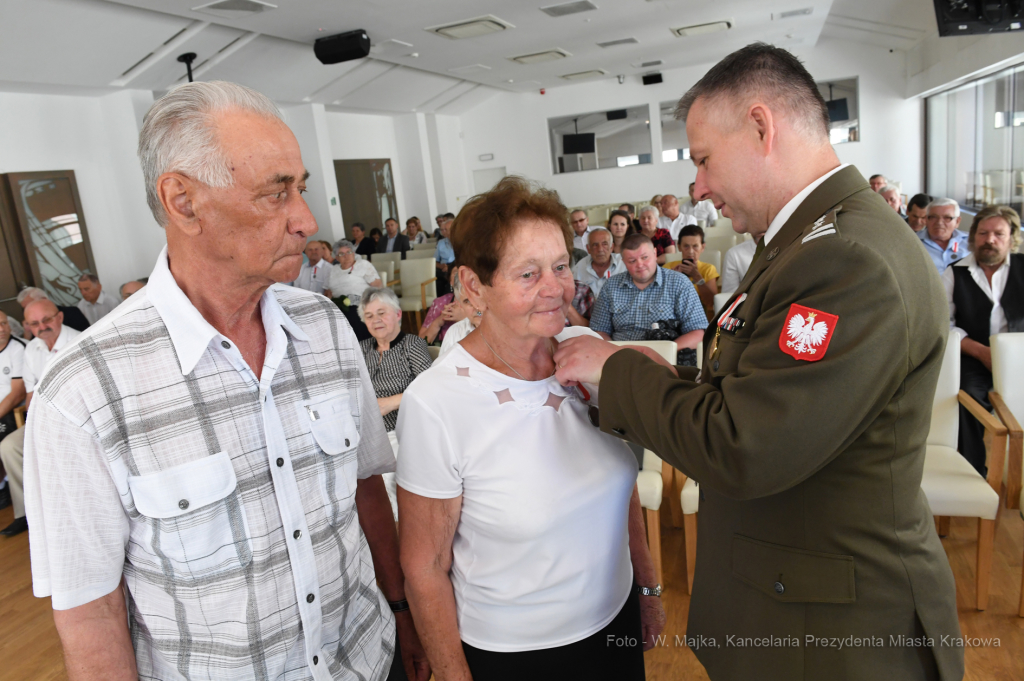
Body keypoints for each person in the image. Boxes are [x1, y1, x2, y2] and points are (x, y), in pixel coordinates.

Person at [553, 42, 963, 681]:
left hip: (829, 634)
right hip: (787, 602)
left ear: (761, 127)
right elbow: (753, 382)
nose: (700, 188)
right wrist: (660, 376)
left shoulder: (847, 259)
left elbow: (745, 443)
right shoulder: (802, 243)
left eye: (704, 160)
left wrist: (615, 369)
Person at [22, 81, 428, 681]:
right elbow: (90, 613)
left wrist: (402, 613)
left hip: (365, 657)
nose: (306, 220)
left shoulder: (325, 327)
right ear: (182, 201)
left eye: (302, 189)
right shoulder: (84, 390)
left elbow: (365, 488)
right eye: (276, 193)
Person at [397, 176, 663, 681]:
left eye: (561, 265)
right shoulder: (436, 402)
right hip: (517, 653)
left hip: (614, 620)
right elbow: (424, 569)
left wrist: (646, 590)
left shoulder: (585, 351)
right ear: (474, 285)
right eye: (527, 273)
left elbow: (621, 485)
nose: (555, 288)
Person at [942, 205, 1023, 475]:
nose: (990, 240)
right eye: (983, 233)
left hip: (1020, 359)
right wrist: (978, 351)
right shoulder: (955, 273)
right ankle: (972, 471)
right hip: (974, 356)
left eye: (999, 234)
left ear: (1012, 237)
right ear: (973, 235)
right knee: (964, 395)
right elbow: (944, 324)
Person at [1, 298, 81, 537]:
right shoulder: (32, 348)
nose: (42, 326)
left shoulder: (79, 340)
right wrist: (37, 426)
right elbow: (30, 395)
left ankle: (66, 511)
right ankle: (26, 514)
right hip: (44, 418)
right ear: (27, 325)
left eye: (46, 319)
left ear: (59, 317)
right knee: (10, 447)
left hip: (77, 420)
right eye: (34, 323)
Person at [358, 287, 433, 518]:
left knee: (389, 482)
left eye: (382, 313)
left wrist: (390, 402)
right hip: (367, 432)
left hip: (403, 431)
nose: (376, 320)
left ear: (398, 314)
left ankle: (402, 535)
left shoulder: (412, 345)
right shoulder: (361, 349)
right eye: (369, 316)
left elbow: (431, 388)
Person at [590, 233, 706, 365]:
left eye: (645, 257)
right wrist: (615, 354)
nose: (640, 265)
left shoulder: (679, 283)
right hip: (621, 359)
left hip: (666, 360)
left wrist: (662, 354)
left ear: (655, 253)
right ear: (623, 262)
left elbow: (697, 333)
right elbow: (599, 331)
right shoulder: (611, 286)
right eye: (632, 261)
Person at [0, 310, 26, 513]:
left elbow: (17, 394)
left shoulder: (18, 349)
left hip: (11, 410)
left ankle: (4, 485)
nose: (2, 329)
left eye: (4, 324)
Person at [674, 224, 719, 318]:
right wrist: (674, 280)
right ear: (679, 247)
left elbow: (712, 303)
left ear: (702, 247)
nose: (690, 251)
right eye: (686, 246)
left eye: (695, 246)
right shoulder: (669, 268)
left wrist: (697, 277)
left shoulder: (708, 269)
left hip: (698, 316)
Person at [575, 227, 626, 299]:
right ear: (588, 249)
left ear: (612, 247)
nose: (600, 249)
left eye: (605, 244)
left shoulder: (624, 264)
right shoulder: (578, 268)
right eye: (595, 245)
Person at [921, 198, 969, 274]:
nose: (939, 222)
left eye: (947, 218)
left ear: (957, 221)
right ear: (926, 220)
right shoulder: (913, 242)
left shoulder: (971, 242)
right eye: (934, 217)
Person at [438, 274, 481, 357]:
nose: (477, 307)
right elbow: (444, 369)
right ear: (460, 304)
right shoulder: (454, 332)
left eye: (479, 298)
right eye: (468, 301)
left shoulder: (509, 331)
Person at [16, 287, 90, 336]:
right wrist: (28, 332)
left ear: (44, 299)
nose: (28, 310)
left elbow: (87, 335)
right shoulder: (31, 322)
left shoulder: (72, 313)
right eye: (25, 308)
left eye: (31, 305)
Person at [719, 220, 763, 294]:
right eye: (755, 223)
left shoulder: (787, 249)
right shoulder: (734, 254)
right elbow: (729, 295)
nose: (760, 229)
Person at [435, 215, 456, 297]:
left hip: (455, 268)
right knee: (437, 282)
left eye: (446, 230)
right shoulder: (441, 243)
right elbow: (434, 261)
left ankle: (448, 302)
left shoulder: (461, 241)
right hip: (443, 270)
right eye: (442, 230)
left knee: (449, 280)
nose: (444, 232)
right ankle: (440, 304)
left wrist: (450, 267)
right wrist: (441, 266)